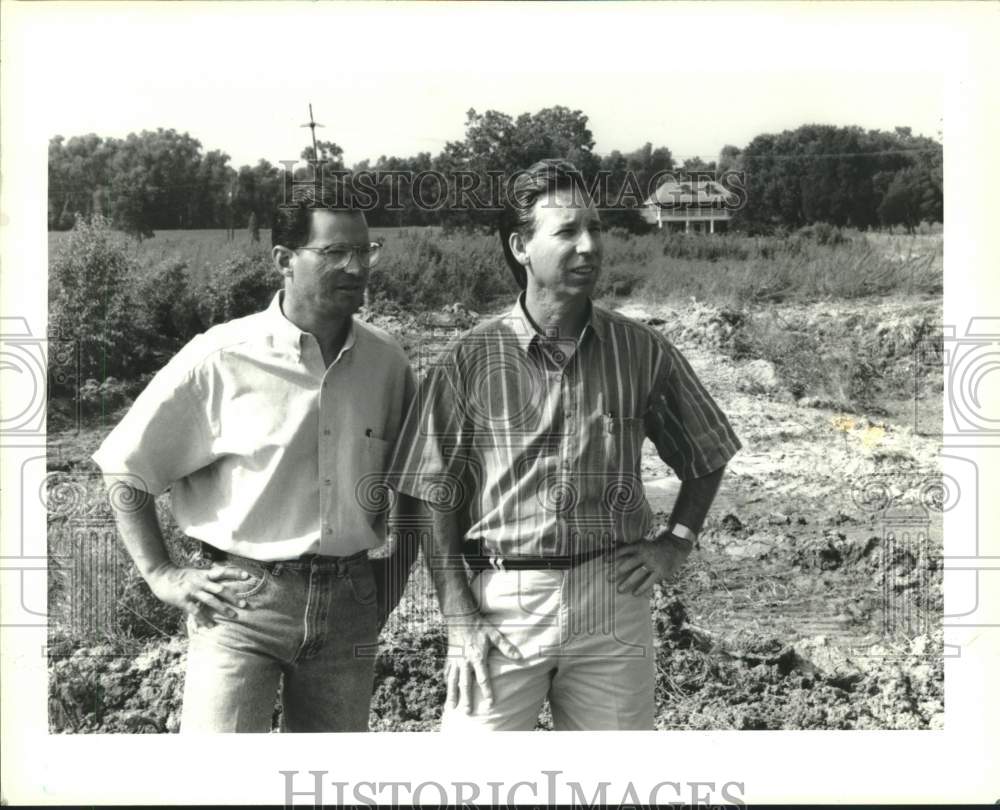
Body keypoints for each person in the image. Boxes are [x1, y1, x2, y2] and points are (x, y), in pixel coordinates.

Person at [386, 159, 741, 731]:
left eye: (596, 229)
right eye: (567, 231)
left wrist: (674, 542)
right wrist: (457, 613)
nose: (589, 246)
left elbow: (708, 451)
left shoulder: (641, 350)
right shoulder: (471, 359)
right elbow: (431, 490)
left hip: (612, 601)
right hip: (502, 604)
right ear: (520, 246)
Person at [93, 189, 418, 732]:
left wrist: (393, 578)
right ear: (284, 260)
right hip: (240, 604)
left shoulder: (386, 363)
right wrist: (161, 574)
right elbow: (126, 467)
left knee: (327, 786)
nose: (357, 267)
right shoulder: (220, 357)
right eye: (335, 252)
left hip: (350, 605)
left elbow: (413, 483)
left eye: (367, 251)